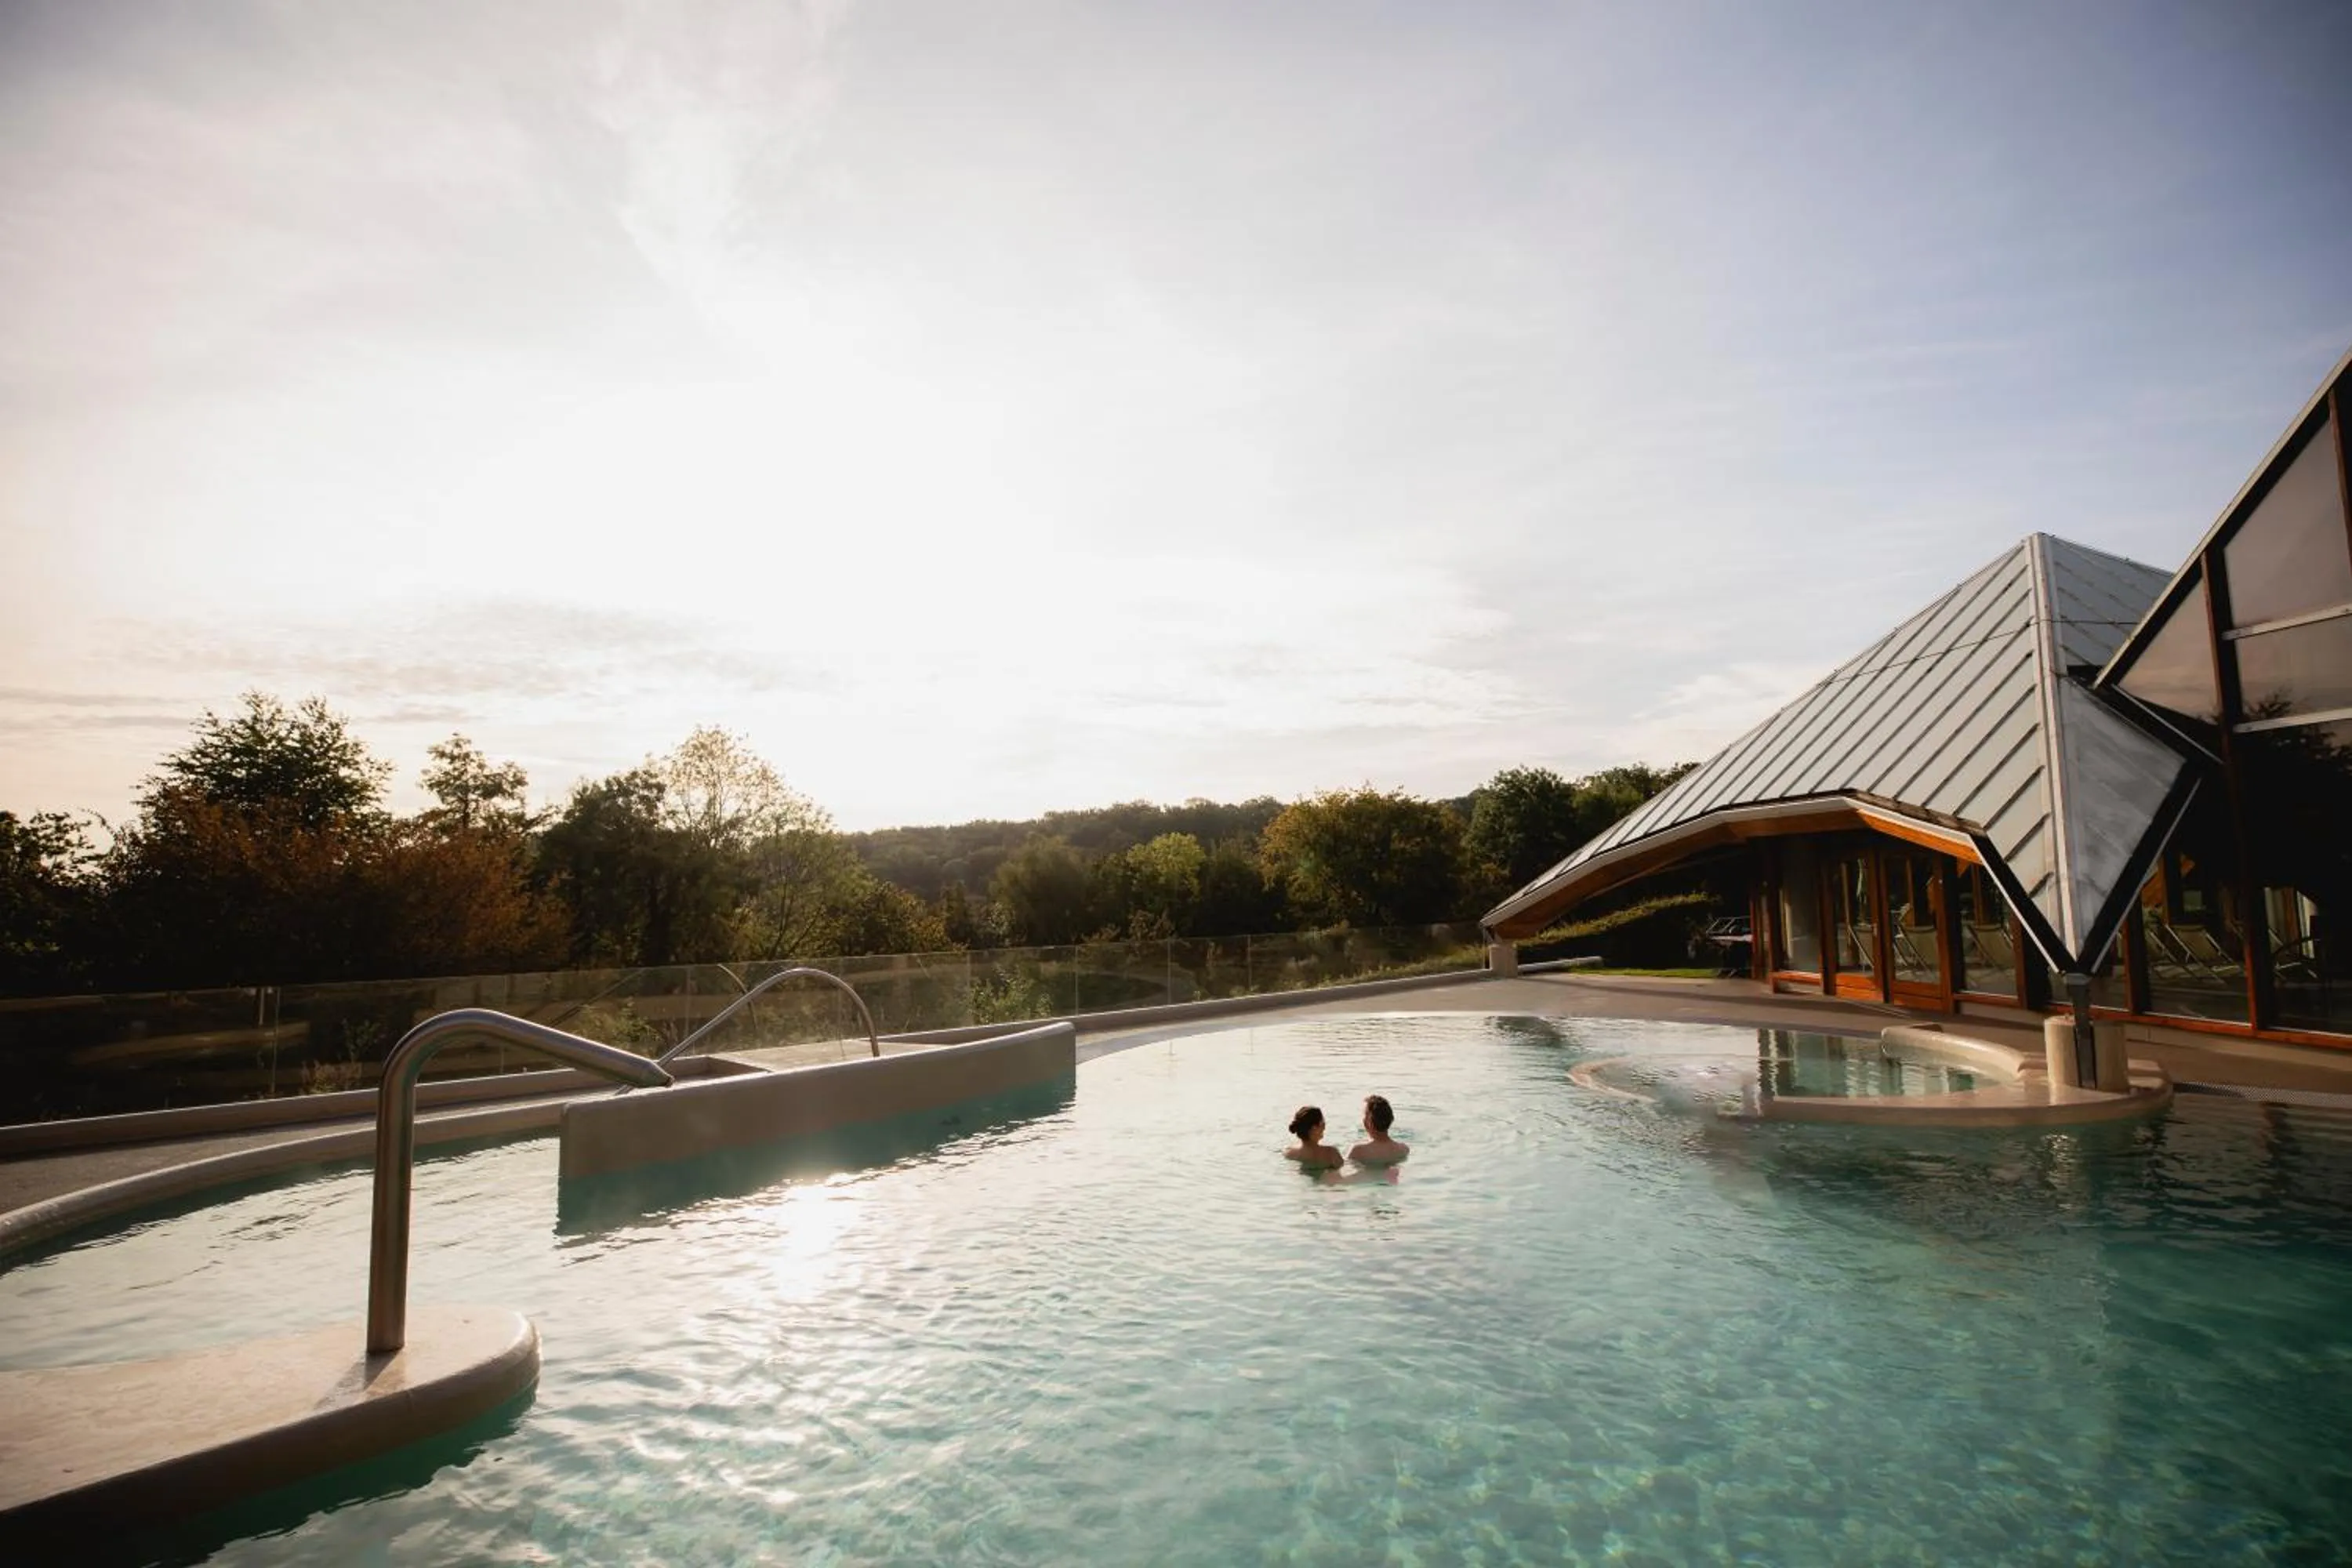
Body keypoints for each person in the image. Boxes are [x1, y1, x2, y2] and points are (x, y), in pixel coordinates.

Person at [1346, 1094, 1410, 1166]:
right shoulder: (1404, 1149)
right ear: (1391, 1119)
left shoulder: (1358, 1151)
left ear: (1369, 1123)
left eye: (1365, 1116)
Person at [1283, 1105, 1343, 1169]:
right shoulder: (1331, 1153)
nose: (1324, 1128)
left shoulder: (1288, 1152)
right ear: (1314, 1128)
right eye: (1323, 1124)